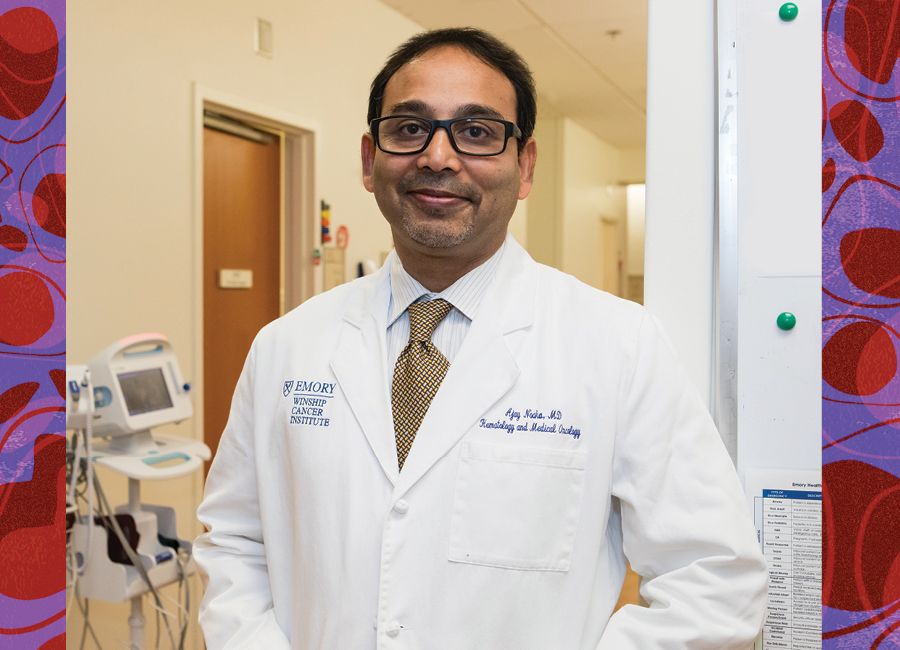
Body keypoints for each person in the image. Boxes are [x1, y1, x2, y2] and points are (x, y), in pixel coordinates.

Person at [194, 27, 768, 649]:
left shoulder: (618, 345)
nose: (438, 157)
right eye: (409, 128)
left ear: (525, 168)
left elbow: (715, 581)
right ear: (369, 160)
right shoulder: (286, 345)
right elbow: (234, 541)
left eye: (477, 132)